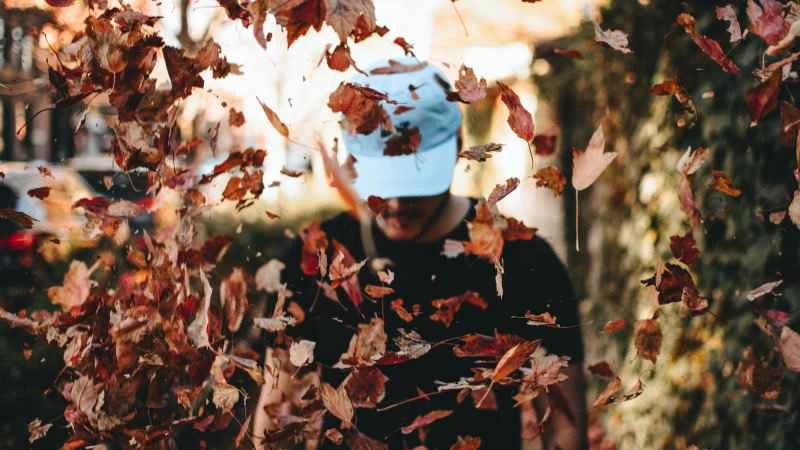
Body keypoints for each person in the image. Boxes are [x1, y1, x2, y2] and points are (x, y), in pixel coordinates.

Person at [254, 56, 587, 450]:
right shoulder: (314, 259)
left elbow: (566, 427)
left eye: (414, 183)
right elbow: (277, 411)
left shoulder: (522, 259)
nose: (395, 204)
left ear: (457, 148)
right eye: (382, 182)